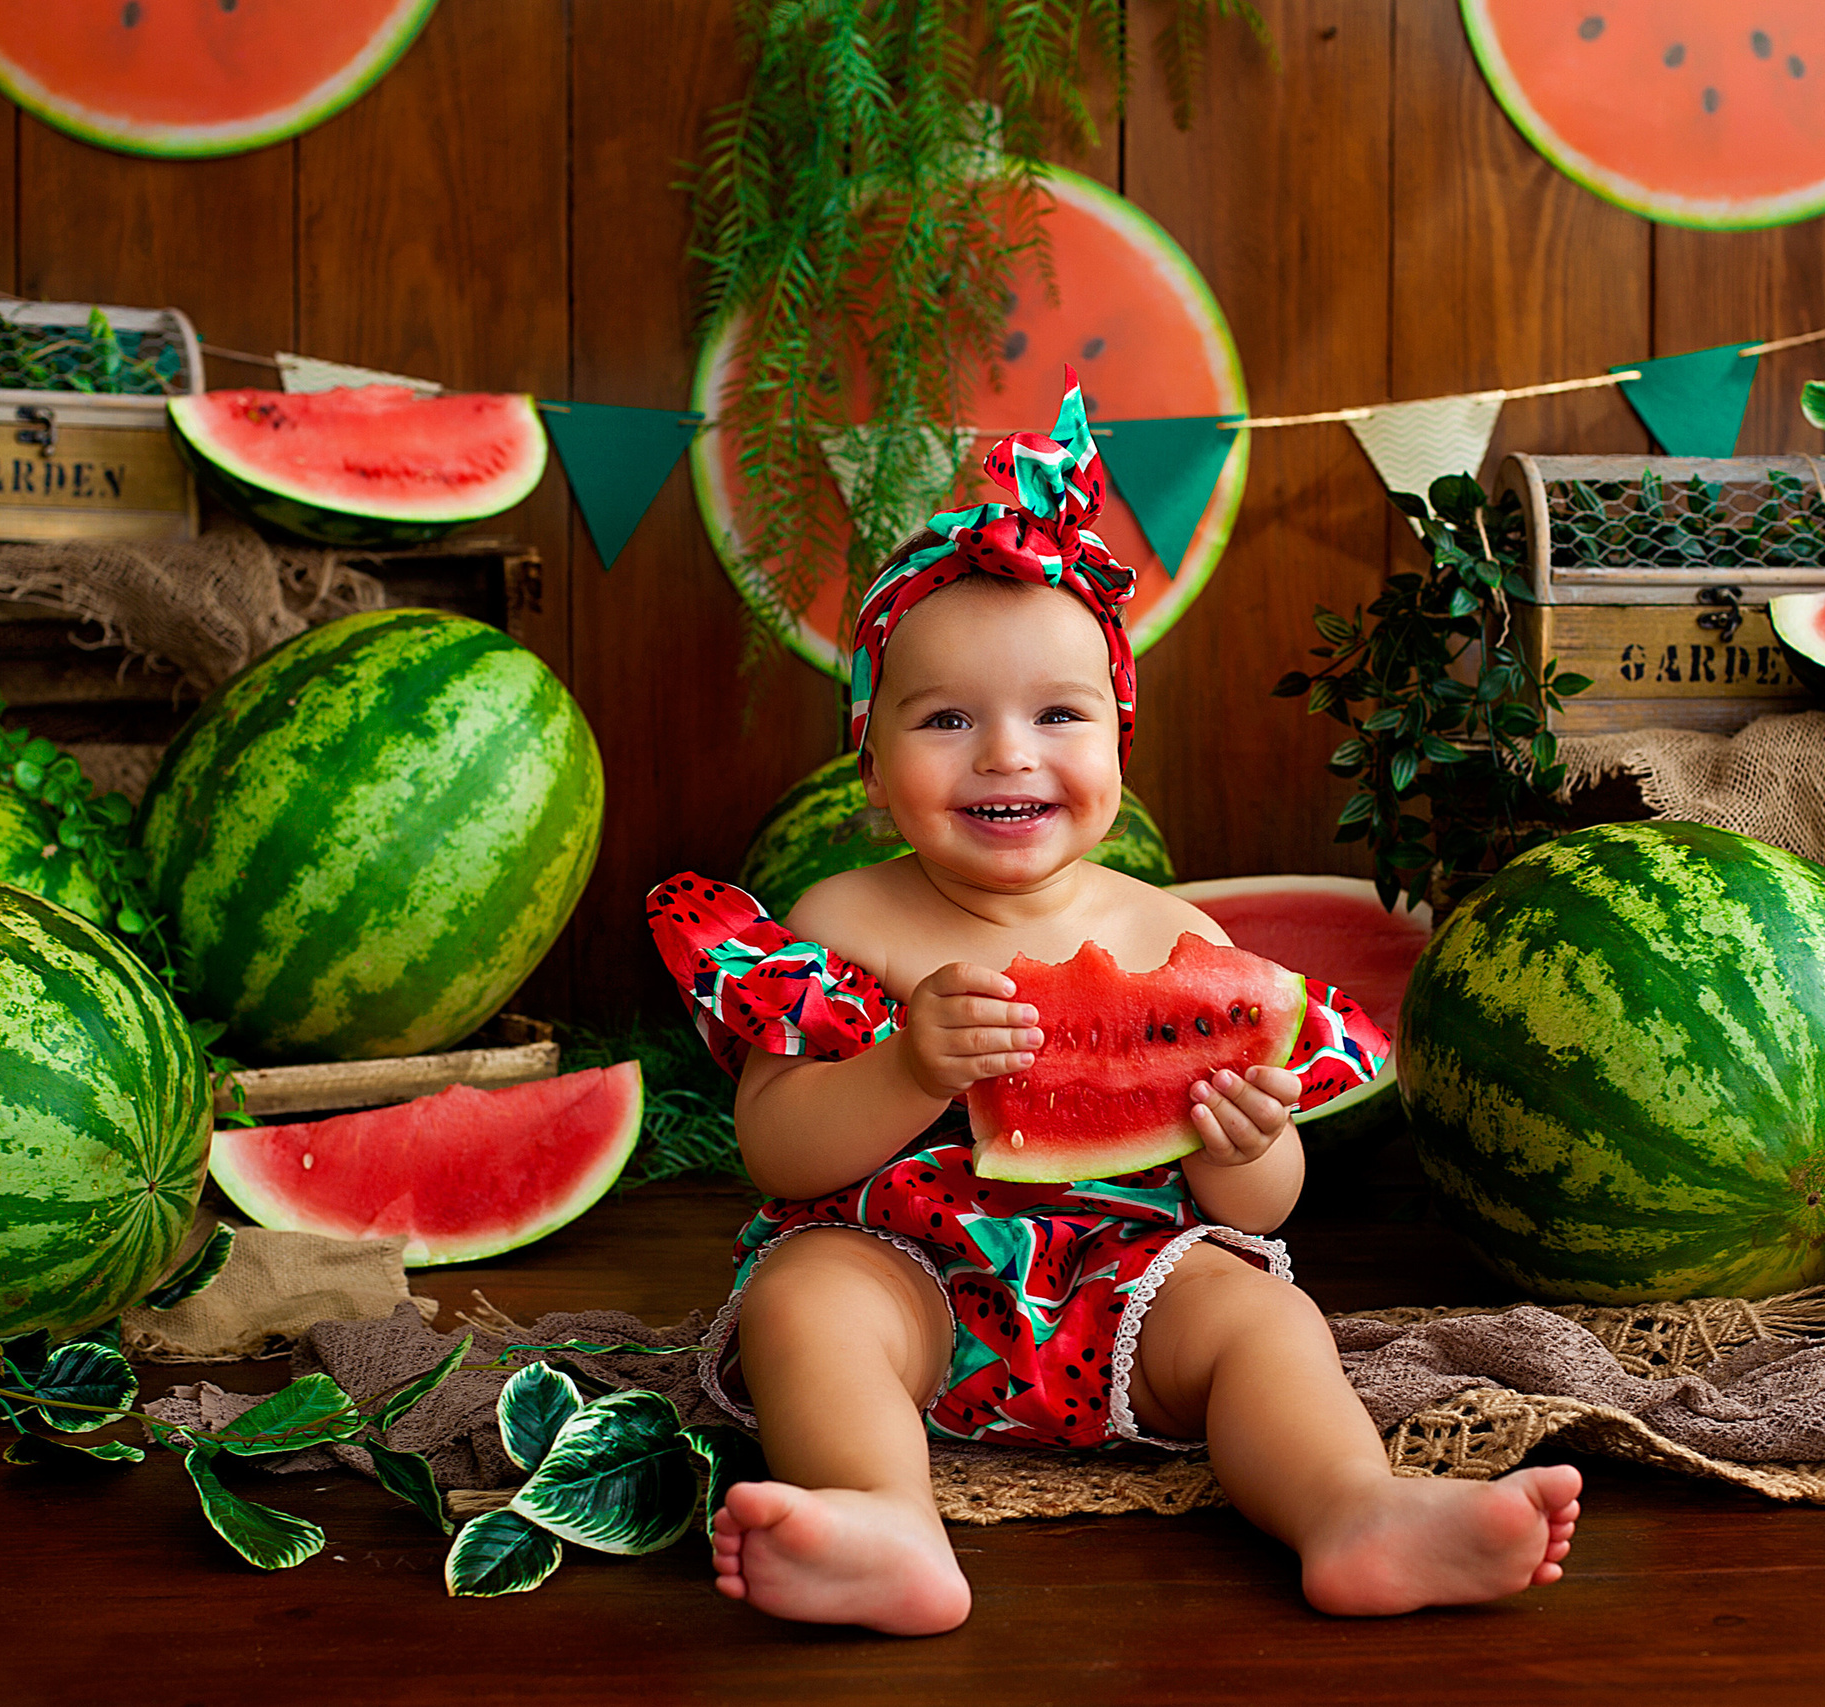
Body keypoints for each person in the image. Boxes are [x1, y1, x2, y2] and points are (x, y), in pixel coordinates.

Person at [647, 372, 1580, 1635]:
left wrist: (1251, 1140)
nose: (1006, 753)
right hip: (904, 1273)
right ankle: (879, 1514)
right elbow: (777, 1152)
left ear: (1116, 743)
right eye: (944, 719)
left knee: (1263, 1317)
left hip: (1130, 1284)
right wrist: (906, 1070)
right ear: (869, 758)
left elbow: (1256, 1206)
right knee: (802, 1298)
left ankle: (1355, 1509)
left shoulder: (1173, 937)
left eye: (1056, 714)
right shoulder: (837, 924)